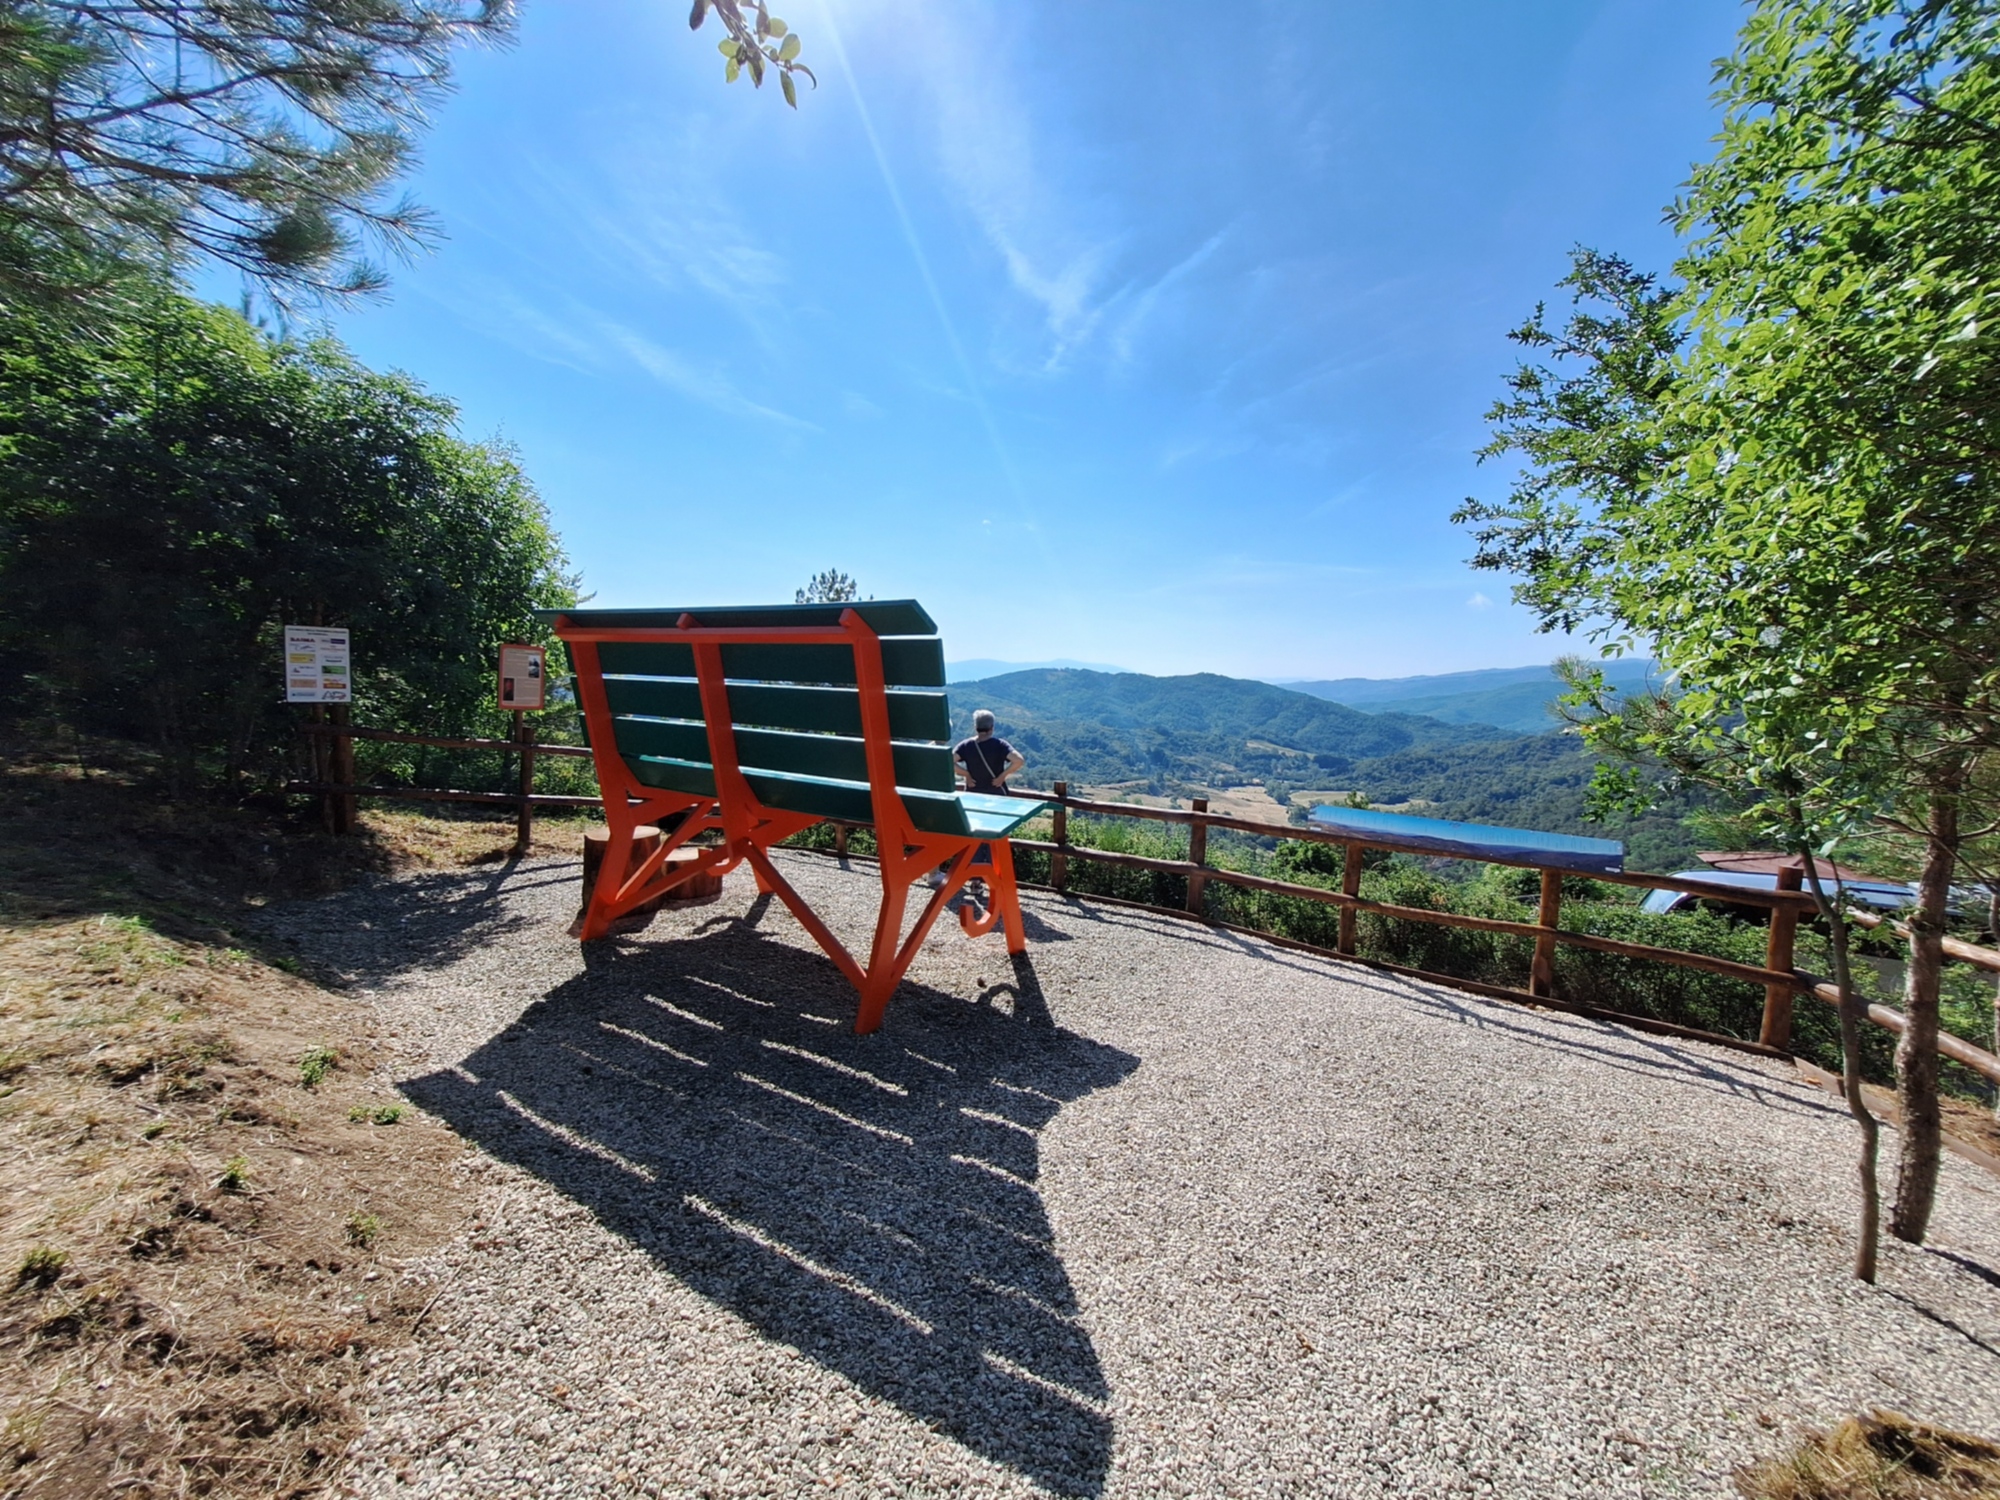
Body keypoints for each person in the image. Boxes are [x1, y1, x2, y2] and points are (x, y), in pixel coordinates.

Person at [929, 710, 1025, 890]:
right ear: (992, 727)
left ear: (976, 727)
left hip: (973, 798)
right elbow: (1019, 760)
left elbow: (949, 761)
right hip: (996, 799)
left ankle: (974, 879)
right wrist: (1002, 776)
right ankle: (992, 879)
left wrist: (966, 774)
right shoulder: (1000, 745)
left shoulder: (966, 745)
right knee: (993, 839)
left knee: (975, 839)